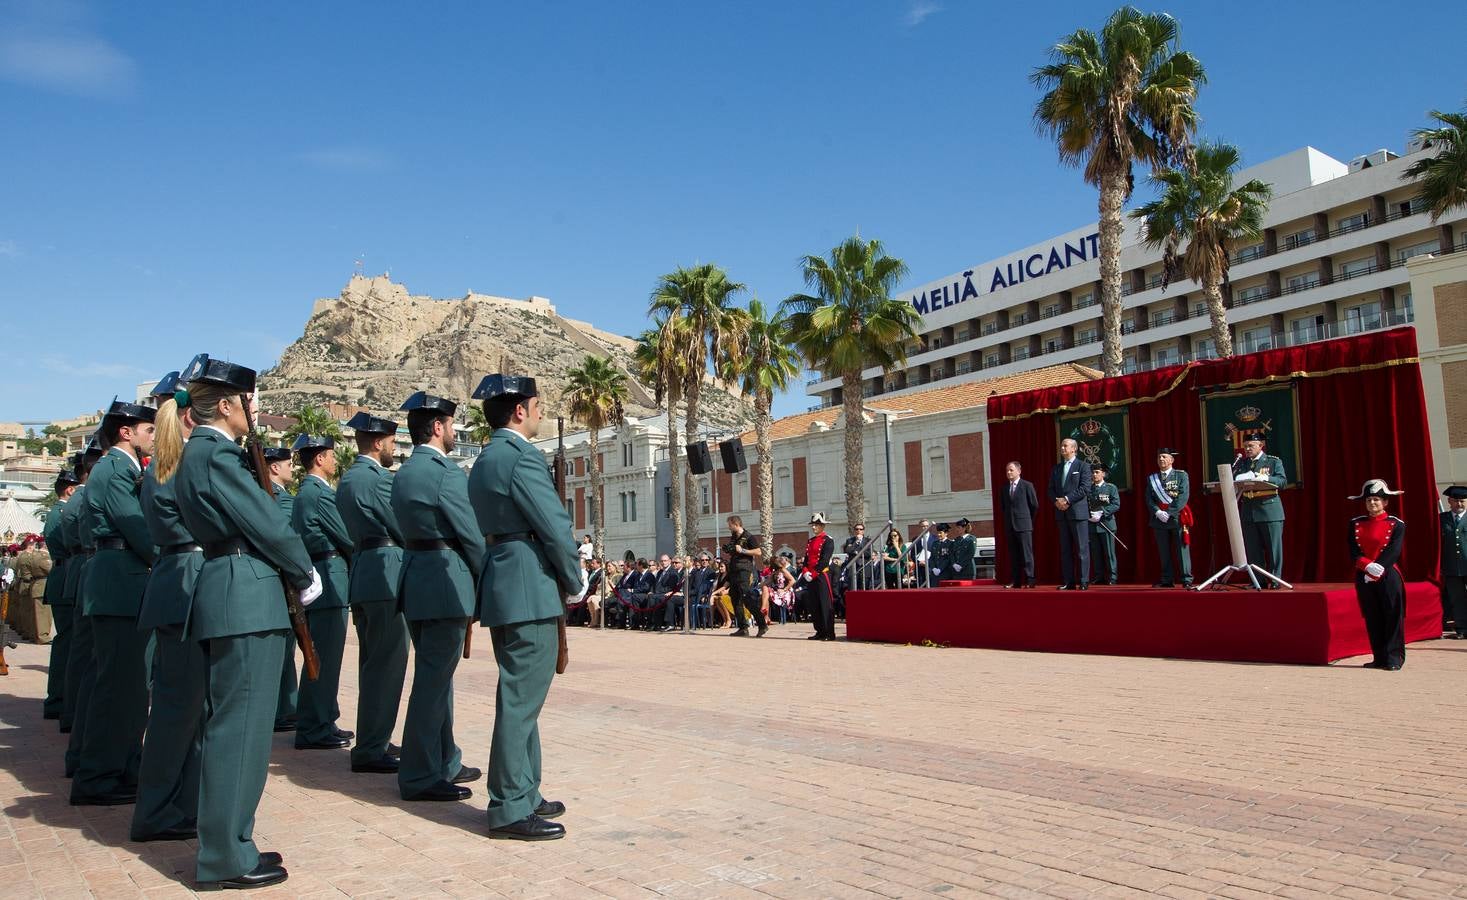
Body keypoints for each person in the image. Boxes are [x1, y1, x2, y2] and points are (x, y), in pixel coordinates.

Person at [173, 353, 322, 889]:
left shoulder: (201, 454)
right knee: (241, 730)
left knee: (234, 726)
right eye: (252, 400)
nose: (256, 409)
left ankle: (233, 841)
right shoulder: (215, 455)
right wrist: (303, 568)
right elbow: (264, 522)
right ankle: (224, 856)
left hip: (230, 587)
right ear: (231, 404)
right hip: (244, 592)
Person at [467, 374, 575, 841]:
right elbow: (553, 525)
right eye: (536, 405)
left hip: (504, 581)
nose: (539, 412)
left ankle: (525, 790)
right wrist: (575, 578)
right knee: (520, 699)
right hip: (530, 584)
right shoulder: (520, 458)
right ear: (519, 411)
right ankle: (510, 805)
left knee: (522, 695)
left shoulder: (485, 459)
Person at [390, 391, 485, 802]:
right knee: (432, 684)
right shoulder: (445, 473)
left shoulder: (404, 473)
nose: (451, 431)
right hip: (446, 582)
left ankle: (444, 759)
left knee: (434, 678)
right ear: (437, 427)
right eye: (449, 424)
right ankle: (419, 774)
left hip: (415, 579)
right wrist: (488, 581)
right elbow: (470, 533)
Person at [130, 378, 208, 843]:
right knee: (178, 710)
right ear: (189, 419)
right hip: (186, 584)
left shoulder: (164, 462)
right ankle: (157, 810)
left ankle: (178, 805)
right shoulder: (174, 464)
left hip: (179, 581)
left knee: (186, 709)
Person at [71, 399, 157, 807]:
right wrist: (169, 557)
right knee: (116, 687)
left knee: (128, 687)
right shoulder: (114, 468)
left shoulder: (123, 468)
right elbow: (136, 527)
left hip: (123, 579)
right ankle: (98, 776)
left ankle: (121, 767)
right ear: (127, 432)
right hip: (119, 580)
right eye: (149, 430)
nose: (154, 437)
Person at [336, 412, 409, 774]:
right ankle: (371, 746)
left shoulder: (348, 479)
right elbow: (401, 524)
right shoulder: (377, 479)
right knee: (387, 665)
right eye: (393, 442)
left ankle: (373, 737)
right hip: (386, 572)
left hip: (363, 569)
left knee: (372, 664)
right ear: (378, 442)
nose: (394, 448)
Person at [291, 433, 354, 751]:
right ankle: (315, 727)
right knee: (325, 659)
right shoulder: (318, 494)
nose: (334, 460)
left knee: (322, 657)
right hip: (330, 580)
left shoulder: (307, 492)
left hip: (322, 578)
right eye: (330, 455)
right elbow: (347, 536)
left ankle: (321, 720)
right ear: (319, 459)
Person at [59, 436, 103, 755]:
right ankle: (74, 718)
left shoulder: (80, 497)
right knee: (88, 655)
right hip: (92, 566)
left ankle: (71, 714)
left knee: (82, 653)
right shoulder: (86, 495)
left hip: (87, 566)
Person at [1348, 479, 1408, 670]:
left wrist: (1377, 569)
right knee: (1373, 616)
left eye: (1376, 499)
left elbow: (1394, 550)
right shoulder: (1356, 523)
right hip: (1363, 574)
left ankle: (1394, 658)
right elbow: (1353, 550)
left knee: (1392, 616)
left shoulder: (1396, 524)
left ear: (1385, 502)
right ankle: (1379, 657)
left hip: (1388, 574)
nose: (1372, 503)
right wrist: (1366, 567)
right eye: (1368, 500)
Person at [262, 445, 300, 734]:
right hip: (280, 580)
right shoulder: (282, 501)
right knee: (283, 646)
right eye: (288, 463)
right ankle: (283, 709)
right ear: (274, 468)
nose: (292, 468)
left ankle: (285, 708)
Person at [41, 466, 81, 720]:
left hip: (62, 576)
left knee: (66, 643)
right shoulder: (61, 512)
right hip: (64, 576)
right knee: (66, 645)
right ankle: (57, 699)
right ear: (69, 489)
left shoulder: (57, 512)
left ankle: (59, 699)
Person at [1232, 435, 1287, 584]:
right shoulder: (1242, 463)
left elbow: (1282, 481)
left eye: (1251, 446)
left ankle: (1275, 580)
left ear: (1261, 445)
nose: (1247, 449)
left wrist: (1266, 478)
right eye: (1245, 446)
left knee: (1273, 550)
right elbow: (1234, 480)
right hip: (1249, 511)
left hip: (1269, 510)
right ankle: (1258, 580)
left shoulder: (1273, 461)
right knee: (1253, 550)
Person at [1144, 449, 1193, 588]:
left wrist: (1169, 512)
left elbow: (1183, 496)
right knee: (1164, 551)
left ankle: (1186, 580)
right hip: (1159, 519)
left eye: (1164, 457)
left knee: (1182, 551)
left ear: (1171, 460)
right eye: (1159, 457)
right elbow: (1149, 498)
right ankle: (1167, 580)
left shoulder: (1181, 475)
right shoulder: (1152, 478)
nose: (1161, 459)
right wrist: (1157, 512)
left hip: (1177, 518)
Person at [1049, 437, 1092, 590]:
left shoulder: (1083, 466)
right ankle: (1069, 581)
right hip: (1062, 514)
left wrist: (1067, 499)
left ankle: (1084, 580)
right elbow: (1051, 489)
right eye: (1061, 446)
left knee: (1081, 549)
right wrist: (1057, 501)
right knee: (1065, 550)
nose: (1062, 448)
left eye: (1065, 446)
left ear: (1074, 448)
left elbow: (1085, 488)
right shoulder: (1057, 468)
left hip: (1077, 513)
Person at [725, 515, 767, 637]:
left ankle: (762, 624)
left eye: (730, 525)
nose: (729, 527)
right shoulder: (734, 536)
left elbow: (758, 552)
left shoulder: (749, 536)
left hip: (744, 570)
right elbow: (734, 549)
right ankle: (743, 627)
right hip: (734, 570)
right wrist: (729, 549)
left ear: (735, 524)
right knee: (735, 597)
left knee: (746, 597)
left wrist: (743, 550)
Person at [999, 462, 1038, 589]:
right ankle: (1016, 580)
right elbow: (1004, 507)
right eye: (1007, 470)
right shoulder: (1004, 488)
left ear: (1019, 471)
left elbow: (1034, 505)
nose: (1008, 473)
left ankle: (1030, 579)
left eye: (1011, 470)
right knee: (1014, 555)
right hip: (1010, 526)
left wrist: (1027, 520)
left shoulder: (1027, 485)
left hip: (1024, 525)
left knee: (1027, 554)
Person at [801, 513, 836, 640]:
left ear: (822, 526)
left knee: (825, 604)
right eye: (813, 525)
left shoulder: (828, 540)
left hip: (821, 575)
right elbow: (806, 560)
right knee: (814, 605)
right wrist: (805, 571)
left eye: (816, 525)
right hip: (810, 575)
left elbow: (824, 560)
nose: (814, 528)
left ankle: (829, 633)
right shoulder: (810, 541)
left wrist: (814, 573)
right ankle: (819, 631)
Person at [1440, 486, 1467, 639]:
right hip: (1451, 566)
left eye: (1462, 501)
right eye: (1456, 501)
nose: (1459, 504)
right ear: (1449, 501)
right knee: (1457, 598)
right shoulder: (1441, 519)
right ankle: (1462, 628)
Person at [1087, 465, 1121, 585]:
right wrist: (1089, 514)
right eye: (1092, 472)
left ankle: (1112, 577)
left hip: (1107, 524)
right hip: (1092, 525)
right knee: (1096, 553)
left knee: (1109, 552)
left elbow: (1116, 504)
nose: (1094, 474)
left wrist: (1102, 512)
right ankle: (1099, 576)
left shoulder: (1111, 488)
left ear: (1103, 474)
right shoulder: (1088, 488)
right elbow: (1085, 504)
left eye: (1096, 472)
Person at [655, 553, 685, 631]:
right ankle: (656, 624)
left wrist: (679, 593)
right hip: (675, 594)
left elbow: (688, 588)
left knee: (669, 599)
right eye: (673, 563)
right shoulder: (674, 572)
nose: (674, 564)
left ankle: (670, 624)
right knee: (655, 598)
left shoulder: (684, 572)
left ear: (682, 563)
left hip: (684, 596)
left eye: (676, 563)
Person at [910, 519, 936, 588]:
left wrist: (927, 562)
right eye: (923, 526)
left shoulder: (935, 539)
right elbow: (912, 554)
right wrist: (918, 561)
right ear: (920, 527)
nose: (925, 528)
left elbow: (936, 554)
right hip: (919, 570)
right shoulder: (915, 539)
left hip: (930, 568)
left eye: (927, 526)